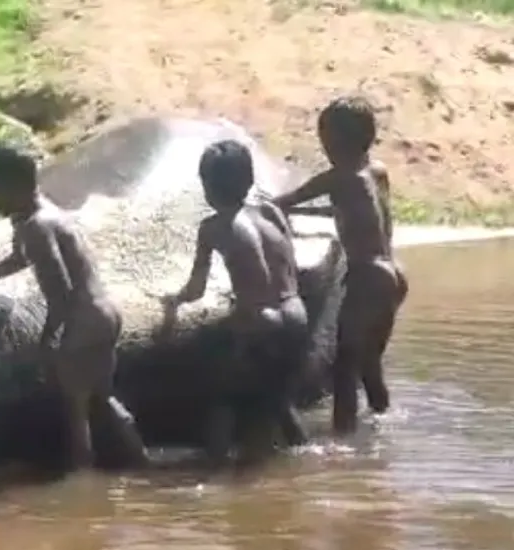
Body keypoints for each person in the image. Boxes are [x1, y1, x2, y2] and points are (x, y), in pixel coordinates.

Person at [0, 141, 150, 472]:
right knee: (102, 398)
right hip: (105, 313)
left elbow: (59, 291)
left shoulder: (34, 228)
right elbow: (21, 258)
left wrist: (49, 339)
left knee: (75, 412)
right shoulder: (46, 214)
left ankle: (81, 487)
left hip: (82, 322)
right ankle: (141, 462)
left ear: (12, 187)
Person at [161, 139, 310, 464]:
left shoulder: (212, 227)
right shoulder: (271, 211)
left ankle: (213, 469)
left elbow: (196, 289)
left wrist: (173, 301)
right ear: (249, 179)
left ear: (207, 187)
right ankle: (306, 459)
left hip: (259, 320)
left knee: (224, 397)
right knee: (278, 397)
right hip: (296, 312)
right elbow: (286, 265)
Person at [271, 95, 409, 435]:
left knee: (344, 366)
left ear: (333, 141)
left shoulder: (336, 178)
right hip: (393, 273)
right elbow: (356, 211)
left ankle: (342, 442)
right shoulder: (376, 172)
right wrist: (313, 213)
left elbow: (282, 202)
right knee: (370, 364)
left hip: (366, 277)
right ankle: (381, 417)